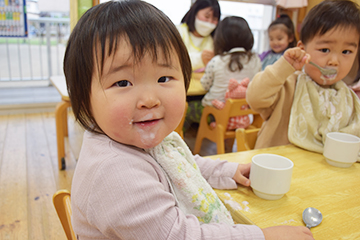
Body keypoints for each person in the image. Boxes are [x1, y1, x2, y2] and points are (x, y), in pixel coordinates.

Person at [64, 1, 314, 239]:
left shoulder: (144, 139)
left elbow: (181, 164)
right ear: (83, 97)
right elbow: (179, 236)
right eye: (122, 83)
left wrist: (230, 170)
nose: (150, 99)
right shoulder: (114, 173)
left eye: (164, 78)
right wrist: (263, 236)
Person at [247, 0, 360, 152]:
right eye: (325, 49)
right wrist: (283, 66)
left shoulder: (349, 99)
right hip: (280, 169)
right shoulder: (288, 86)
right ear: (302, 49)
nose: (334, 61)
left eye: (346, 52)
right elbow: (255, 98)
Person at [177, 0, 220, 71]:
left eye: (214, 19)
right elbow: (171, 60)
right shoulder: (179, 32)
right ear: (195, 13)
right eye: (206, 16)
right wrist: (200, 58)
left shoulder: (214, 40)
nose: (209, 22)